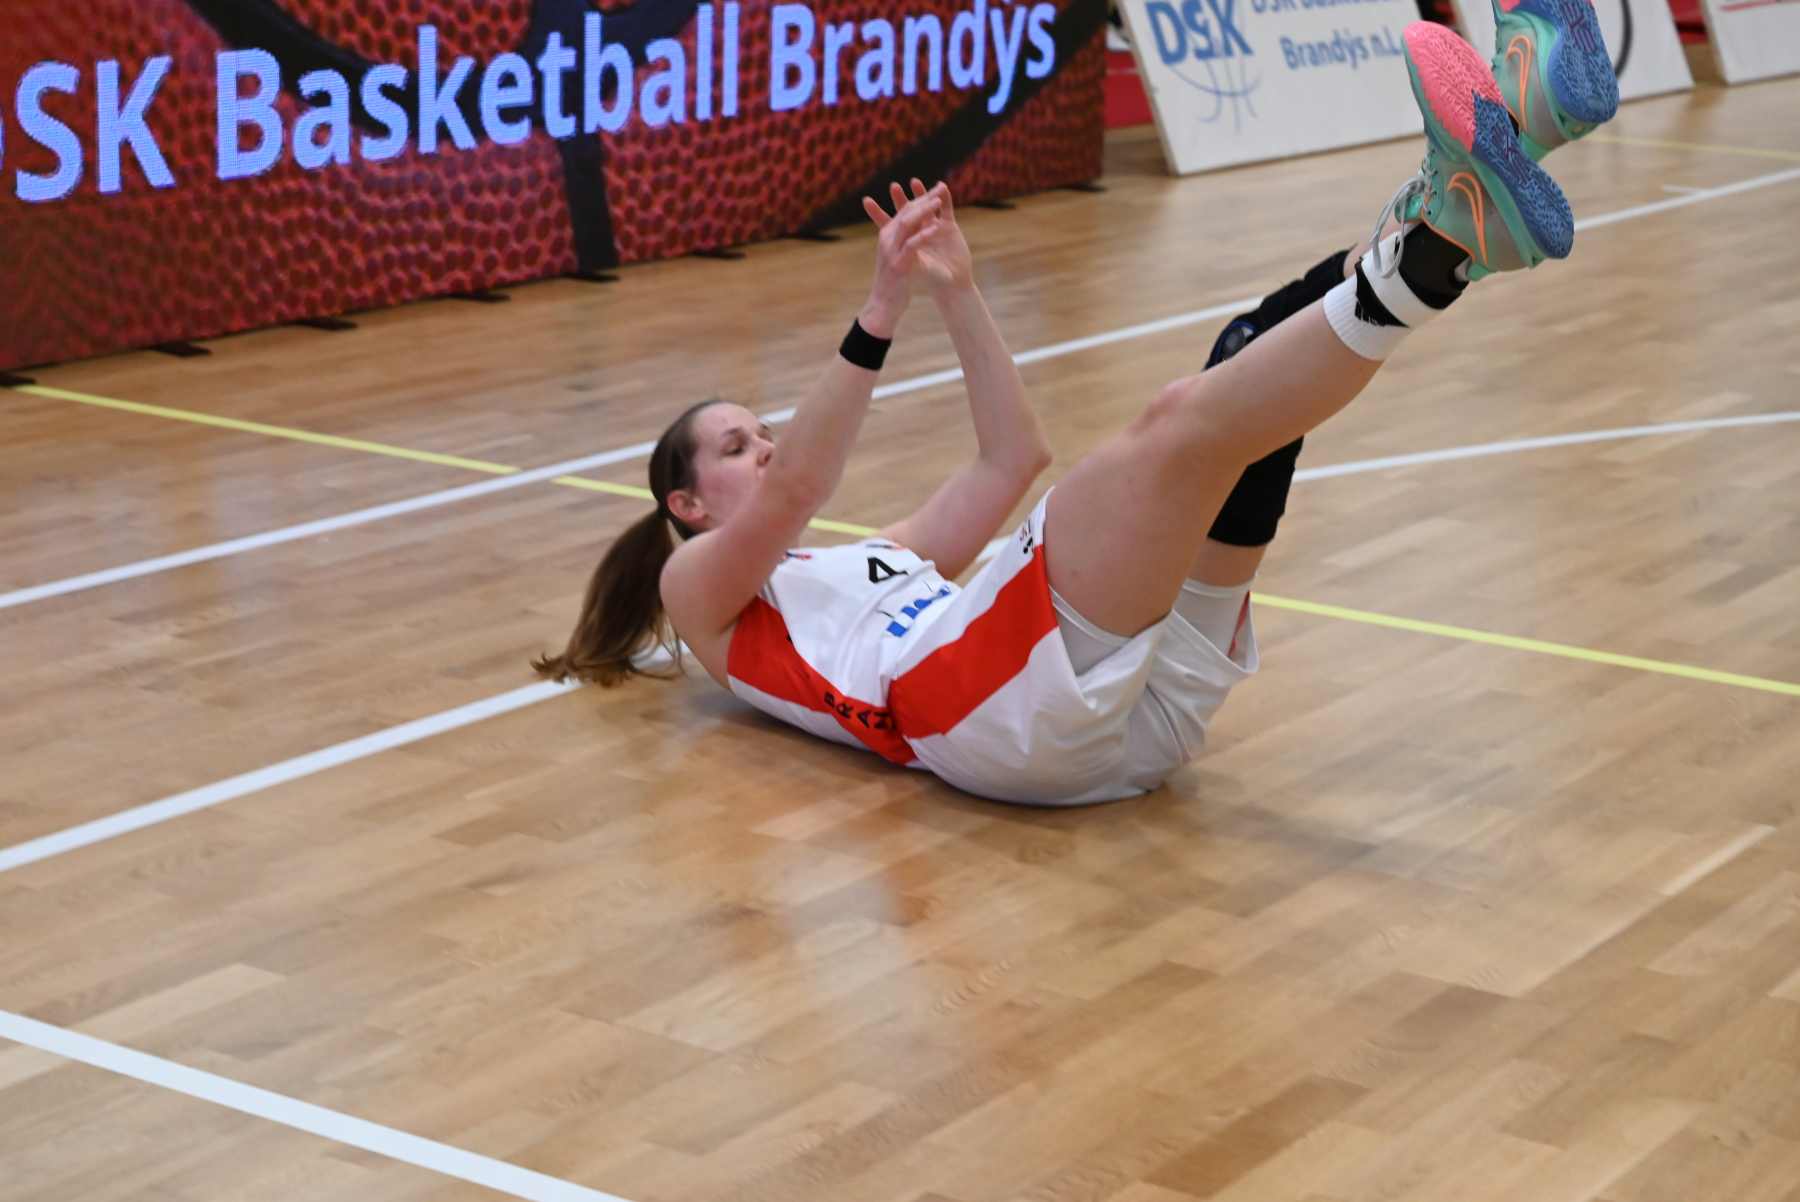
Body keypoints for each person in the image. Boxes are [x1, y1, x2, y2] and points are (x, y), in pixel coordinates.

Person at [534, 17, 1618, 805]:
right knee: (1181, 422)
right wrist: (879, 306)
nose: (766, 449)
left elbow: (1013, 459)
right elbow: (802, 487)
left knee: (1239, 379)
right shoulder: (700, 592)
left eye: (761, 431)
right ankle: (1451, 231)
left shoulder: (865, 560)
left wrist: (958, 293)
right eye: (737, 446)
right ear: (686, 503)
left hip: (1116, 725)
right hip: (987, 710)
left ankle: (1481, 187)